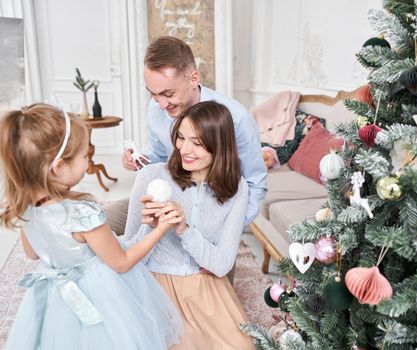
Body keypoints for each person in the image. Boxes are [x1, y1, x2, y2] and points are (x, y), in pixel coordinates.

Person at [0, 104, 183, 350]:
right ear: (58, 167)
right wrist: (161, 229)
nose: (88, 163)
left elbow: (33, 253)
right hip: (99, 295)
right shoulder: (81, 213)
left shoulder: (27, 206)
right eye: (84, 156)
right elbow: (121, 262)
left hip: (56, 299)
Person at [124, 101, 255, 349]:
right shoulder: (151, 176)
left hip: (203, 286)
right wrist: (151, 227)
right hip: (154, 286)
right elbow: (127, 255)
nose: (185, 149)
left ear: (220, 145)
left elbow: (222, 264)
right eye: (181, 138)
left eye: (197, 143)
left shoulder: (238, 188)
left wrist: (184, 230)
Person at [111, 35, 267, 235]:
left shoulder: (237, 119)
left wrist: (229, 232)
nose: (160, 104)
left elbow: (256, 183)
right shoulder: (156, 107)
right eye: (153, 93)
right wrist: (139, 159)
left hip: (211, 213)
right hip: (169, 200)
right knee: (99, 223)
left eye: (168, 94)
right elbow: (159, 156)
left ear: (193, 79)